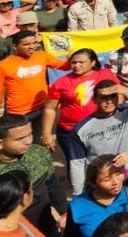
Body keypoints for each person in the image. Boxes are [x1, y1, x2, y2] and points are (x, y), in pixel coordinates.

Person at [41, 48, 118, 194]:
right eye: (73, 62)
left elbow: (118, 94)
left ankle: (102, 190)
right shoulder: (61, 82)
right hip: (70, 132)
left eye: (81, 62)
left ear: (93, 62)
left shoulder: (105, 75)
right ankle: (81, 193)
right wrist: (46, 133)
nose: (76, 65)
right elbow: (50, 109)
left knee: (100, 161)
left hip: (100, 129)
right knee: (76, 162)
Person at [0, 31, 70, 127]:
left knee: (40, 141)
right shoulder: (2, 66)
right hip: (18, 115)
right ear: (15, 47)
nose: (32, 47)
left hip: (42, 109)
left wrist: (74, 57)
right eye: (26, 44)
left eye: (34, 43)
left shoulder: (42, 56)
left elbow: (65, 66)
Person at [74, 79, 128, 159]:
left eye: (113, 96)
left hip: (127, 171)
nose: (109, 101)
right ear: (94, 99)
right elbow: (78, 162)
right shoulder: (82, 128)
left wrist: (126, 91)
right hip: (99, 173)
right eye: (104, 97)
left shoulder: (127, 112)